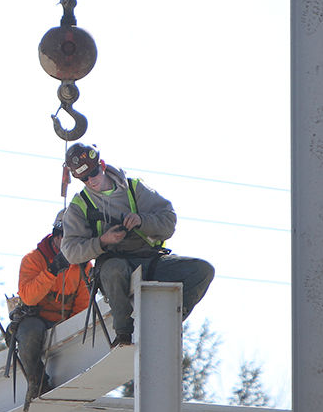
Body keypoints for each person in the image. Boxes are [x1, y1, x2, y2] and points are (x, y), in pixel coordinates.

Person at [60, 142, 215, 344]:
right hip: (113, 265)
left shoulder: (134, 188)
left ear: (103, 165)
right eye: (84, 178)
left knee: (201, 270)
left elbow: (169, 221)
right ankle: (124, 333)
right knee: (114, 269)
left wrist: (142, 221)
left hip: (148, 259)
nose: (91, 180)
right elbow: (70, 251)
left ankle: (170, 319)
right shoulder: (79, 206)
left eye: (94, 173)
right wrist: (102, 242)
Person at [12, 209, 92, 398]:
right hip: (35, 320)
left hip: (64, 324)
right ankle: (38, 383)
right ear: (56, 235)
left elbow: (82, 308)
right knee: (30, 332)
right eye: (65, 237)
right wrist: (52, 270)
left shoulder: (84, 267)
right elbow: (29, 297)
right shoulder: (33, 260)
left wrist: (69, 332)